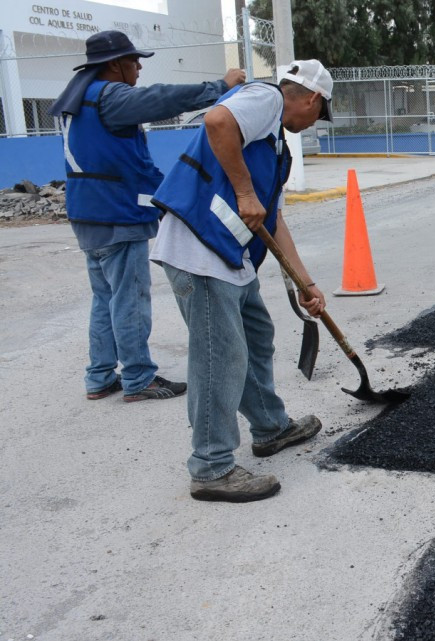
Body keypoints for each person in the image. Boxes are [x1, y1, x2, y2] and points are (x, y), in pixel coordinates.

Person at [149, 60, 333, 503]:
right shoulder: (266, 98)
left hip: (230, 256)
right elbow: (217, 120)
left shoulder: (276, 149)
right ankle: (211, 467)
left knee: (256, 336)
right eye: (319, 113)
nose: (314, 123)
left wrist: (306, 283)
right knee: (220, 356)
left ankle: (270, 427)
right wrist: (245, 192)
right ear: (311, 99)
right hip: (199, 249)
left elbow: (274, 221)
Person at [49, 30, 245, 402]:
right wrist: (219, 87)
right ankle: (138, 378)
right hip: (116, 214)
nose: (139, 67)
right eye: (133, 61)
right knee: (130, 299)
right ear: (114, 65)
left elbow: (121, 158)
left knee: (105, 297)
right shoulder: (111, 97)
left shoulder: (80, 97)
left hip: (88, 213)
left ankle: (99, 376)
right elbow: (161, 99)